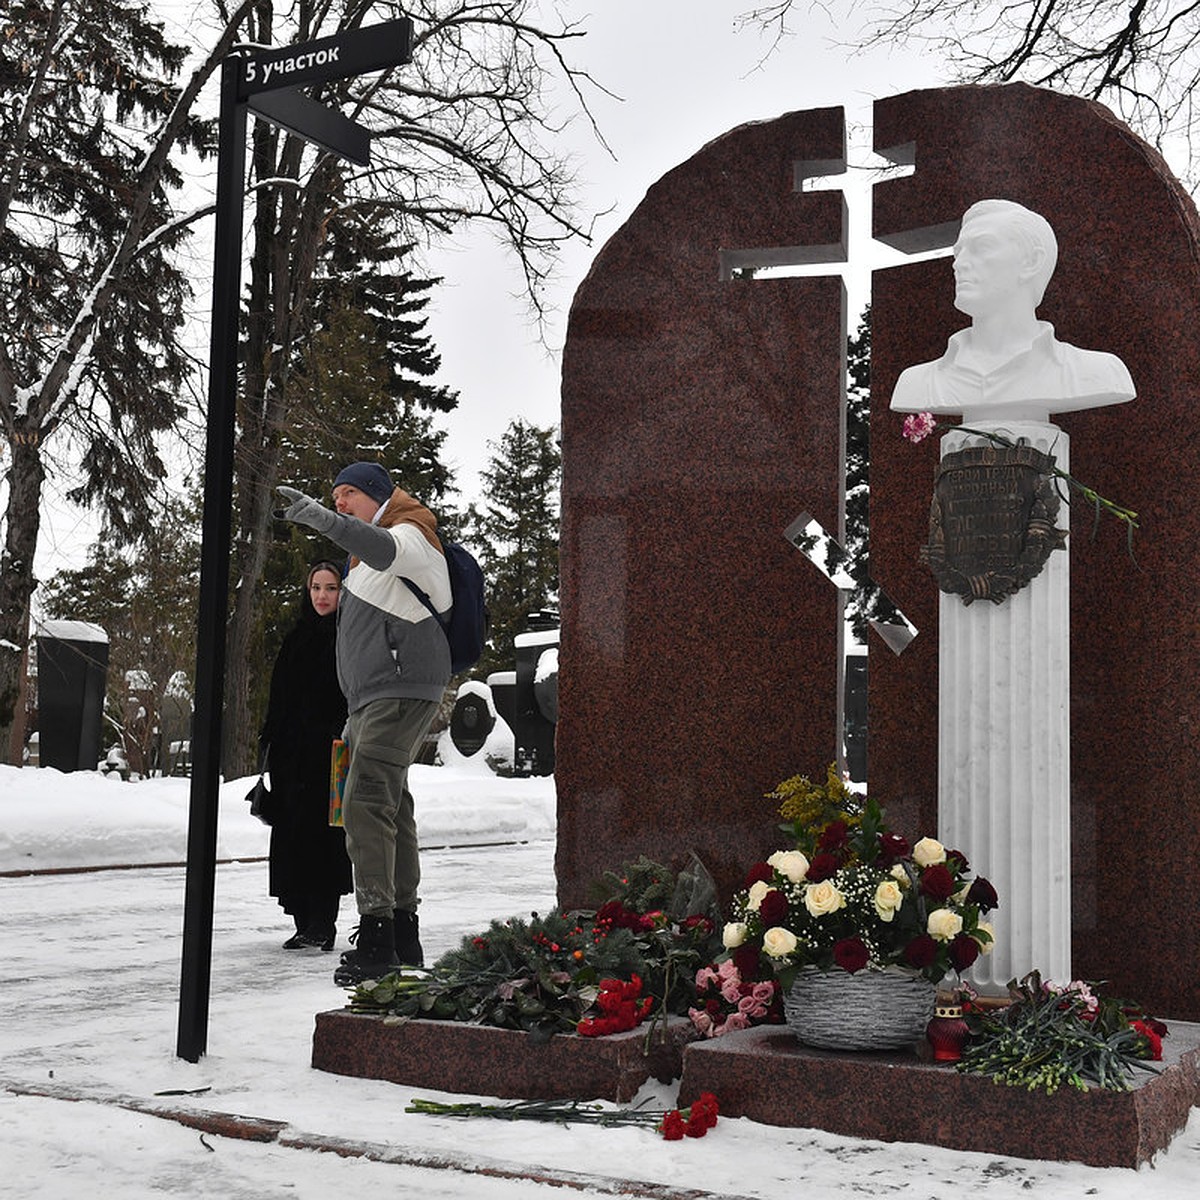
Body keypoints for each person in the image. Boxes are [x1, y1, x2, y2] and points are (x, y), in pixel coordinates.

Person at [277, 462, 452, 985]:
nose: (339, 504)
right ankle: (401, 933)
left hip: (398, 690)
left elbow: (385, 548)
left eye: (347, 494)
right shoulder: (365, 559)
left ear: (377, 495)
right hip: (370, 700)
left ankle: (377, 937)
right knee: (391, 808)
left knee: (365, 801)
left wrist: (318, 520)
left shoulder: (411, 532)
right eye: (333, 497)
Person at [891, 198, 1135, 423]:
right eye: (958, 252)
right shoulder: (919, 382)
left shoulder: (1096, 372)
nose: (959, 263)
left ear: (1031, 261)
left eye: (982, 247)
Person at [259, 561, 352, 951]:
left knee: (324, 838)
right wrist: (269, 745)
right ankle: (302, 921)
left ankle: (322, 924)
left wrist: (337, 733)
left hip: (328, 755)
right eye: (316, 587)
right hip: (290, 757)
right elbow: (279, 696)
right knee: (293, 837)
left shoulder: (346, 638)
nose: (322, 596)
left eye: (330, 588)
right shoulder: (295, 637)